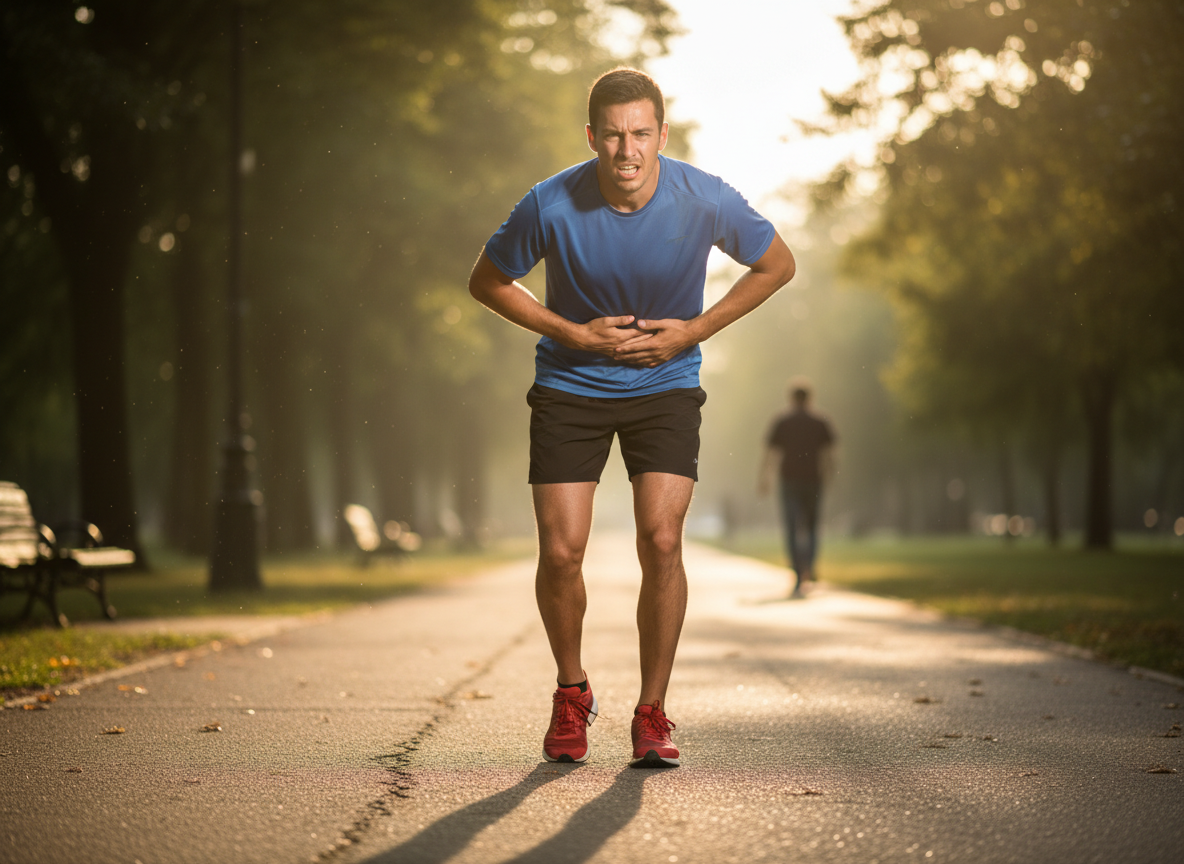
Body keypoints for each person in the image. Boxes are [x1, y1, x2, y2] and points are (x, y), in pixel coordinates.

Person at [468, 68, 795, 766]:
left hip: (665, 384)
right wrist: (574, 333)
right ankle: (571, 692)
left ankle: (652, 712)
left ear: (661, 135)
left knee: (663, 541)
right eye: (613, 135)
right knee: (561, 552)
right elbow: (488, 279)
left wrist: (695, 330)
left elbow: (777, 264)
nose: (627, 150)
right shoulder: (549, 202)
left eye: (641, 133)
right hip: (570, 385)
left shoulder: (704, 197)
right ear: (592, 137)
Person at [758, 380, 836, 597]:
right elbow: (829, 454)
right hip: (814, 480)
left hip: (789, 480)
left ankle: (798, 573)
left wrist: (764, 479)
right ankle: (808, 569)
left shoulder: (783, 421)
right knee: (811, 528)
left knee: (793, 528)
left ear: (791, 399)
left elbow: (771, 453)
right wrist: (829, 477)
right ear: (810, 398)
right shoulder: (820, 421)